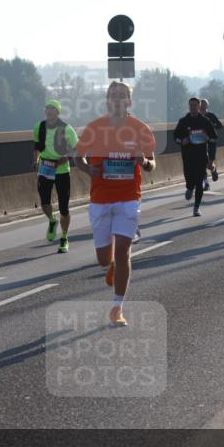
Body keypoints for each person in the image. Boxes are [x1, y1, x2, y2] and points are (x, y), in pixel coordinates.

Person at [75, 81, 157, 326]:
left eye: (122, 95)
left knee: (123, 251)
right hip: (100, 199)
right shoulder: (94, 128)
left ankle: (117, 308)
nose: (118, 99)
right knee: (104, 258)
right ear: (107, 100)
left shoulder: (140, 129)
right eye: (113, 95)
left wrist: (143, 162)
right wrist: (89, 170)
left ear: (129, 101)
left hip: (128, 198)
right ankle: (110, 265)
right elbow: (77, 158)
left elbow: (152, 164)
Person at [32, 100, 79, 253]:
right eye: (47, 108)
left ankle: (64, 238)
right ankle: (52, 220)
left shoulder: (66, 128)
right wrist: (35, 160)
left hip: (62, 171)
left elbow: (77, 148)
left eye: (53, 108)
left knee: (64, 208)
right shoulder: (39, 127)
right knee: (44, 203)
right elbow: (37, 147)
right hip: (45, 169)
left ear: (58, 112)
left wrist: (66, 157)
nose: (49, 111)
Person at [174, 97, 219, 217]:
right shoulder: (183, 121)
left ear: (199, 107)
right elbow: (175, 137)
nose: (193, 107)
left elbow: (214, 138)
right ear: (188, 107)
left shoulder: (205, 121)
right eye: (191, 105)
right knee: (190, 179)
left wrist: (207, 139)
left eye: (195, 105)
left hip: (201, 156)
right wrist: (182, 141)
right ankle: (189, 187)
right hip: (188, 156)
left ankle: (196, 207)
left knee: (199, 182)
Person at [199, 98, 223, 189]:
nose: (202, 106)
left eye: (204, 104)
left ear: (207, 106)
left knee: (209, 164)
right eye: (201, 104)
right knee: (202, 163)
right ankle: (206, 183)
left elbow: (220, 125)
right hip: (201, 142)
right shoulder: (197, 117)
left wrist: (211, 126)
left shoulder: (211, 116)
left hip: (212, 140)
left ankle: (213, 169)